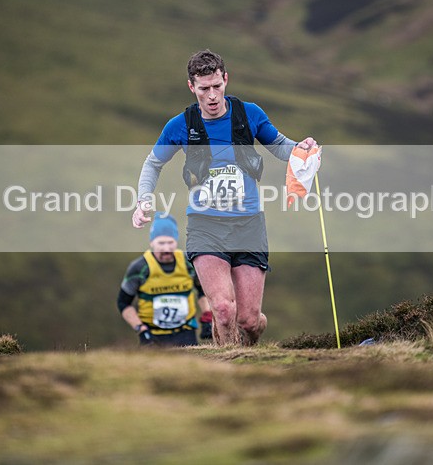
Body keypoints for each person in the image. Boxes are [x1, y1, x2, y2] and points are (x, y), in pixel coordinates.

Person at [132, 49, 316, 347]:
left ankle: (254, 333)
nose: (213, 95)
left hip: (249, 226)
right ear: (192, 87)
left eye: (217, 86)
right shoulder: (180, 125)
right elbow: (153, 163)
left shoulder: (249, 114)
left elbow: (280, 146)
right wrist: (143, 201)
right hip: (206, 226)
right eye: (204, 89)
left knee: (248, 321)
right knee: (223, 310)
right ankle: (230, 370)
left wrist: (302, 148)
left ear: (225, 79)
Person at [118, 213, 212, 346]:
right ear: (151, 242)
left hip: (186, 332)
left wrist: (207, 316)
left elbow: (203, 290)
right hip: (152, 335)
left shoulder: (188, 262)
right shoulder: (139, 267)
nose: (166, 248)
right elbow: (123, 303)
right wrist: (140, 329)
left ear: (176, 241)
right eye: (161, 243)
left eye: (170, 242)